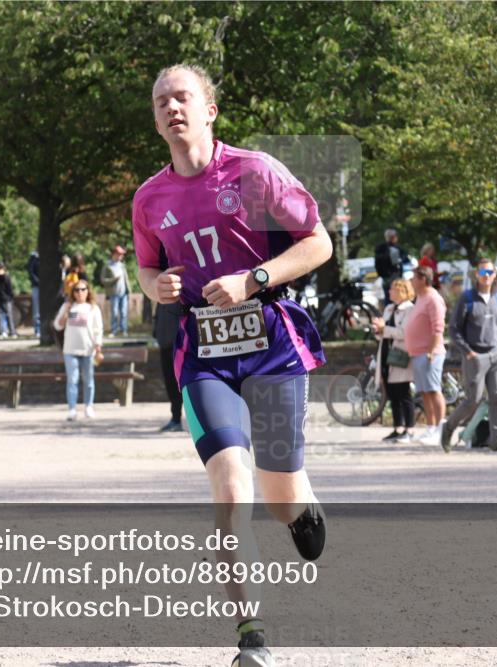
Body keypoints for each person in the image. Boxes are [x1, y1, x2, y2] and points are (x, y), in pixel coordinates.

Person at [133, 63, 330, 666]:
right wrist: (155, 286)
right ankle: (252, 634)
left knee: (277, 497)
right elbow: (146, 268)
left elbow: (318, 242)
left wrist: (255, 278)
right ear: (156, 118)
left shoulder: (253, 171)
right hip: (206, 357)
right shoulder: (149, 198)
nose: (173, 107)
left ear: (209, 109)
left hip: (269, 343)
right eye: (163, 100)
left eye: (183, 96)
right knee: (230, 487)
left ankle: (302, 509)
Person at [441, 259, 497, 454]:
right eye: (483, 272)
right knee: (473, 400)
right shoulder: (467, 298)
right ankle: (448, 428)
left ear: (495, 275)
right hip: (475, 355)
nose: (486, 276)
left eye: (490, 272)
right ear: (476, 275)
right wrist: (468, 352)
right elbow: (454, 329)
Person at [403, 266, 446, 446]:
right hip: (418, 352)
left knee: (434, 390)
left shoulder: (433, 298)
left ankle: (441, 429)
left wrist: (431, 351)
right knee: (425, 392)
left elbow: (438, 327)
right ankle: (431, 427)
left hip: (430, 353)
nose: (411, 281)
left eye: (414, 277)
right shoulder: (420, 298)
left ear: (422, 279)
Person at [371, 277, 416, 443]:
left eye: (392, 289)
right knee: (392, 393)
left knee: (403, 393)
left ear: (402, 291)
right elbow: (385, 332)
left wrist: (385, 329)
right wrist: (378, 330)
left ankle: (409, 429)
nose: (389, 292)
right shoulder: (389, 308)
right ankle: (398, 428)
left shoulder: (410, 309)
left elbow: (405, 333)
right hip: (386, 353)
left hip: (401, 355)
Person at [52, 279, 104, 421]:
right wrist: (66, 313)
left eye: (83, 289)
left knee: (88, 380)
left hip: (88, 350)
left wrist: (98, 345)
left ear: (88, 291)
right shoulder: (68, 306)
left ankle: (88, 406)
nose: (80, 292)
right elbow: (57, 325)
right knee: (72, 380)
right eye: (77, 290)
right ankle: (72, 409)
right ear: (73, 292)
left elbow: (98, 329)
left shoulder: (93, 308)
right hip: (70, 349)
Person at [154, 301, 185, 432]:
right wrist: (156, 333)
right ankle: (176, 419)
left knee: (186, 385)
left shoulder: (184, 289)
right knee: (170, 383)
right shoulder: (161, 291)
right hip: (164, 342)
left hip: (180, 345)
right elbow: (157, 315)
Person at [101, 246, 130, 337]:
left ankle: (123, 330)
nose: (121, 256)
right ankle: (113, 330)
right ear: (114, 254)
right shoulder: (108, 266)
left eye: (122, 255)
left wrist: (128, 290)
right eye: (119, 254)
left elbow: (126, 279)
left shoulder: (122, 265)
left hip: (123, 293)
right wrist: (114, 280)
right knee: (114, 312)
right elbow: (103, 280)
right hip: (114, 293)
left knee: (124, 312)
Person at [375, 228, 408, 304]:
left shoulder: (381, 248)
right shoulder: (384, 248)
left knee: (392, 297)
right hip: (390, 277)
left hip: (390, 277)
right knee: (394, 297)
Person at [27, 250, 41, 337]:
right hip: (37, 286)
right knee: (36, 310)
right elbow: (31, 272)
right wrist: (39, 282)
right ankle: (37, 329)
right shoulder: (33, 258)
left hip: (46, 287)